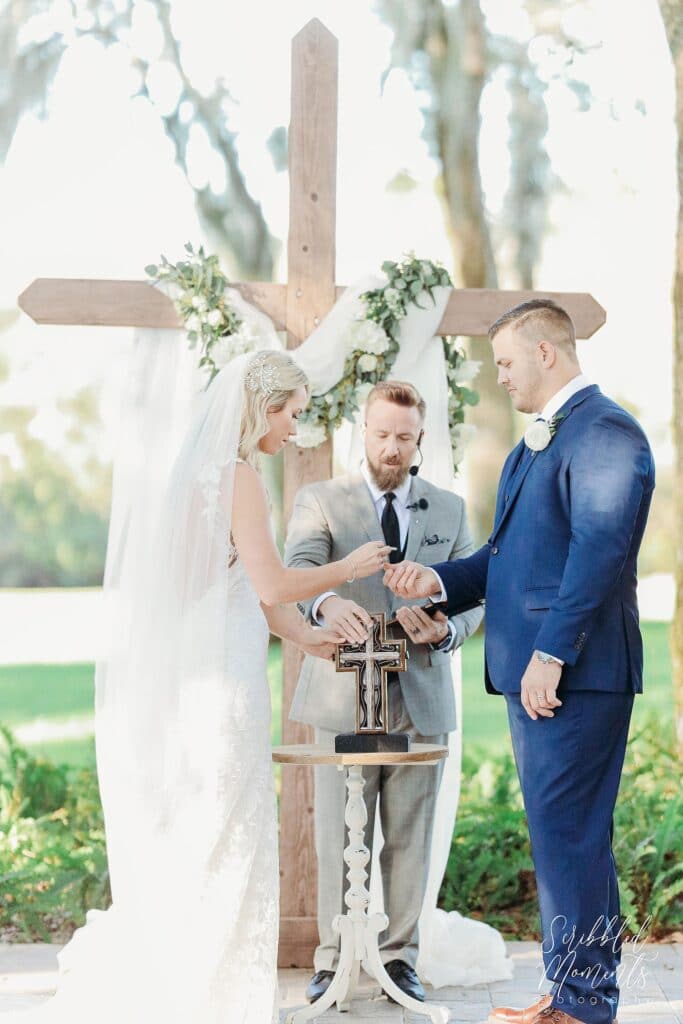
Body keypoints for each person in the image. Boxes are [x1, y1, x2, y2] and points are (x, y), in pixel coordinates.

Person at [6, 349, 392, 1024]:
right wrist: (345, 568)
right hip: (220, 684)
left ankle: (210, 989)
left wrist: (308, 639)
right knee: (225, 826)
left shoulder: (209, 476)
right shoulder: (237, 476)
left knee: (215, 824)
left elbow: (256, 595)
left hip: (209, 666)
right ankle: (212, 1000)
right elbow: (273, 582)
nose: (294, 430)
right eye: (292, 415)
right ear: (261, 408)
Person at [383, 300, 655, 1024]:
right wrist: (436, 583)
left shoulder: (604, 432)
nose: (497, 375)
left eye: (504, 361)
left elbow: (597, 554)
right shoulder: (535, 444)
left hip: (575, 674)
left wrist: (550, 655)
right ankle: (575, 992)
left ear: (545, 353)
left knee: (569, 836)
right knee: (565, 837)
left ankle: (582, 1005)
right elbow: (508, 561)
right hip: (543, 673)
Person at [285, 380, 483, 1005]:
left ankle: (400, 959)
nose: (391, 447)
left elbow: (478, 593)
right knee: (340, 835)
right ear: (362, 433)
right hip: (343, 693)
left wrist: (447, 626)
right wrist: (326, 602)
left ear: (420, 440)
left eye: (404, 437)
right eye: (381, 434)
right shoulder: (320, 500)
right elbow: (297, 571)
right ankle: (332, 958)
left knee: (409, 833)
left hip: (421, 690)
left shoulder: (450, 509)